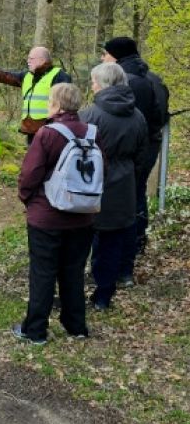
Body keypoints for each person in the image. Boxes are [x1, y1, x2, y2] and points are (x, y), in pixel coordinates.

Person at [13, 83, 96, 344]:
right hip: (83, 214)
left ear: (57, 105)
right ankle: (76, 326)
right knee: (74, 271)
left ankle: (35, 330)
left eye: (50, 100)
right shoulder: (93, 132)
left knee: (43, 272)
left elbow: (30, 175)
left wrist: (28, 199)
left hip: (46, 216)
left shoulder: (47, 134)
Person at [79, 63, 147, 310]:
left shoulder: (89, 115)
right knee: (113, 242)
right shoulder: (137, 115)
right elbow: (142, 154)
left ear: (104, 84)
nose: (92, 86)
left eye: (94, 82)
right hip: (124, 184)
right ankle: (104, 295)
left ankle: (76, 292)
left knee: (80, 240)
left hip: (91, 183)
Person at [100, 37, 167, 256]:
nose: (103, 58)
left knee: (127, 196)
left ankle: (126, 247)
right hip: (149, 144)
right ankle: (137, 240)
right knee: (137, 192)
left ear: (116, 56)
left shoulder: (125, 81)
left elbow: (127, 118)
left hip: (130, 148)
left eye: (106, 53)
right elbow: (160, 116)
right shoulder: (153, 78)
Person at [0, 47, 71, 141]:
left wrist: (57, 127)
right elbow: (5, 76)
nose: (28, 61)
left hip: (51, 131)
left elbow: (65, 106)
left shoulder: (59, 75)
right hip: (31, 130)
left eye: (31, 58)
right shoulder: (27, 76)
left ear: (42, 60)